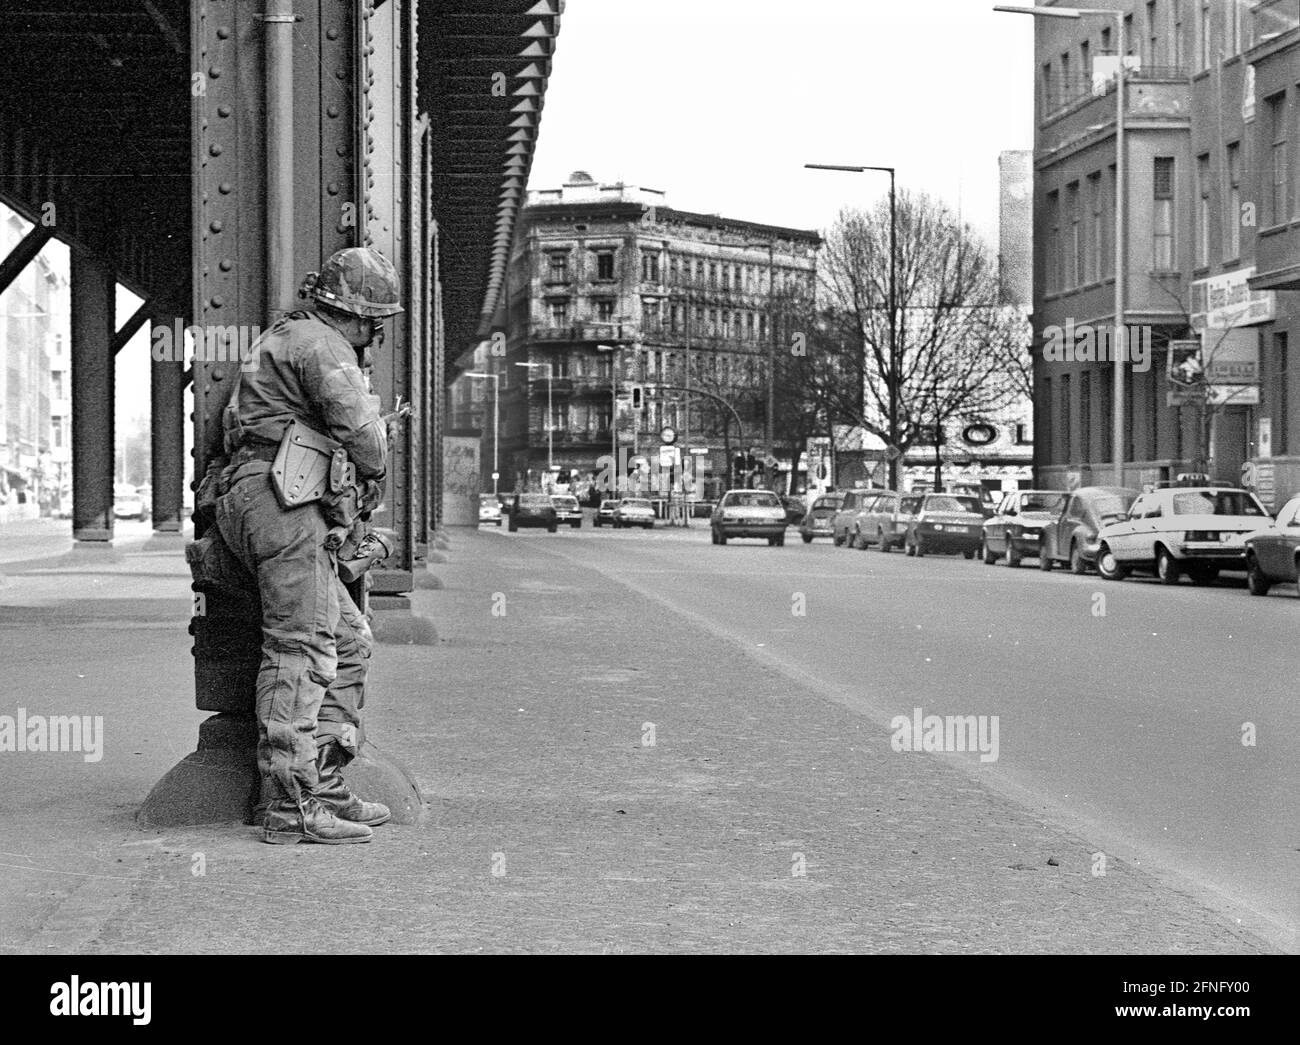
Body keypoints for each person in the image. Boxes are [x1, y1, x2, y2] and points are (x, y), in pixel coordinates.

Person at [214, 246, 402, 844]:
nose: (374, 336)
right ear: (355, 314)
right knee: (304, 647)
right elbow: (369, 446)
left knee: (347, 641)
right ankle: (290, 806)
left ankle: (318, 781)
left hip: (260, 497)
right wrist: (379, 430)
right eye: (375, 323)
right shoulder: (323, 344)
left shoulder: (284, 336)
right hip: (284, 502)